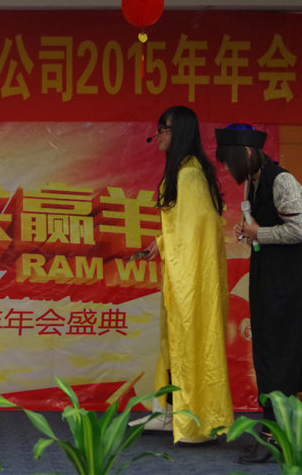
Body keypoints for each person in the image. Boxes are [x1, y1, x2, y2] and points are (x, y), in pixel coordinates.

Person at [215, 123, 302, 464]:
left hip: (284, 285)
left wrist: (260, 233)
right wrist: (249, 232)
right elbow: (266, 227)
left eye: (230, 162)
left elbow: (300, 229)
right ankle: (280, 430)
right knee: (269, 353)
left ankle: (276, 436)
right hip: (266, 278)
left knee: (278, 356)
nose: (228, 169)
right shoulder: (254, 182)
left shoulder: (282, 180)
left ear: (246, 152)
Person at [132, 105, 234, 445]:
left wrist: (171, 249)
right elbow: (186, 228)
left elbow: (195, 234)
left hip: (191, 279)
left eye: (164, 129)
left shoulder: (189, 176)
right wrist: (162, 242)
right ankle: (168, 412)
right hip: (183, 275)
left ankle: (194, 421)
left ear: (181, 133)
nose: (158, 136)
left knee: (188, 343)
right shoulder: (187, 171)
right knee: (173, 343)